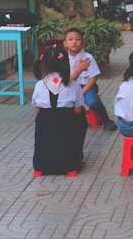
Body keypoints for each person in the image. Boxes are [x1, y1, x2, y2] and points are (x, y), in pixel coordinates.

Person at [32, 44, 88, 176]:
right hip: (66, 120)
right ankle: (73, 163)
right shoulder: (74, 85)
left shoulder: (39, 84)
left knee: (44, 127)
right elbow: (78, 110)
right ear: (66, 63)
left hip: (44, 121)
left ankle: (40, 167)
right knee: (81, 120)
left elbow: (37, 109)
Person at [64, 27, 118, 131]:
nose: (74, 42)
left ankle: (106, 120)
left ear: (83, 42)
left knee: (94, 102)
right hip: (70, 86)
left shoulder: (88, 57)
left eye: (78, 39)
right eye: (70, 40)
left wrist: (81, 92)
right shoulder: (64, 59)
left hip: (88, 87)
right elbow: (68, 81)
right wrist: (79, 69)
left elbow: (93, 79)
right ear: (65, 43)